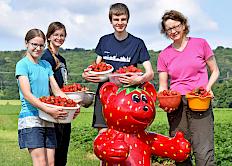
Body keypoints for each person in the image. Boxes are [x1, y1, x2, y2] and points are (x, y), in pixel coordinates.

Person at [157, 10, 220, 166]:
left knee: (203, 150)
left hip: (199, 100)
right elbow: (163, 86)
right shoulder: (164, 55)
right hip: (176, 104)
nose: (173, 31)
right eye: (168, 29)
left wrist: (209, 87)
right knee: (180, 150)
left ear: (184, 25)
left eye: (175, 26)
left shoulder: (200, 44)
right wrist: (162, 100)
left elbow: (215, 70)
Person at [82, 3, 154, 132]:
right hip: (105, 94)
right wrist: (87, 74)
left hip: (128, 96)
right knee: (103, 133)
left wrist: (138, 80)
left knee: (127, 133)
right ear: (111, 20)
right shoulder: (104, 41)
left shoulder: (137, 43)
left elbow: (150, 73)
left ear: (128, 20)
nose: (120, 23)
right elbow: (96, 67)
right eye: (116, 19)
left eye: (123, 19)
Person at [15, 28, 68, 166]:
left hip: (48, 117)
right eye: (34, 44)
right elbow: (27, 94)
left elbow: (56, 91)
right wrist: (48, 109)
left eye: (41, 45)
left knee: (51, 163)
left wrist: (71, 105)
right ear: (26, 43)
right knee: (40, 163)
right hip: (31, 118)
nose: (38, 48)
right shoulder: (22, 65)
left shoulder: (45, 65)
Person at [41, 22, 74, 166]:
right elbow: (46, 86)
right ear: (48, 37)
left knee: (62, 148)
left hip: (64, 106)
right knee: (54, 150)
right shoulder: (46, 58)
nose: (59, 38)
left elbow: (62, 85)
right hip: (53, 109)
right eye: (56, 35)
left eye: (62, 35)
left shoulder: (63, 60)